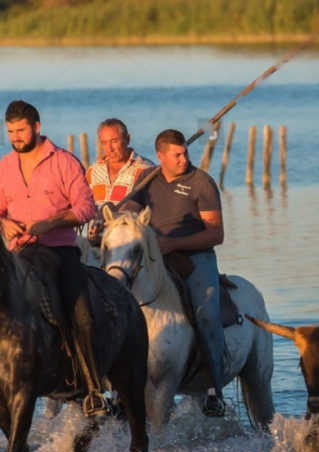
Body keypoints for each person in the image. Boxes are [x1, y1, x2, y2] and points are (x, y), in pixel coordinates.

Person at [0, 100, 107, 416]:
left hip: (59, 252)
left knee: (83, 316)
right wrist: (3, 221)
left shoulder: (64, 162)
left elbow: (87, 208)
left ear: (36, 127)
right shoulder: (5, 166)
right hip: (18, 254)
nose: (16, 137)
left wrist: (52, 222)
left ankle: (94, 390)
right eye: (10, 132)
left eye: (21, 130)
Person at [126, 129, 227, 417]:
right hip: (155, 258)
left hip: (195, 258)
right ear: (160, 156)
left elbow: (216, 234)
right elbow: (129, 216)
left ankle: (214, 391)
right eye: (177, 155)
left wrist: (174, 244)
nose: (184, 159)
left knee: (206, 313)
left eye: (185, 153)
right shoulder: (145, 180)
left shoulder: (202, 182)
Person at [85, 118, 153, 244]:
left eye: (114, 141)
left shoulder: (146, 170)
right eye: (104, 143)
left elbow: (153, 212)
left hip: (129, 244)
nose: (109, 148)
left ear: (127, 139)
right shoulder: (93, 171)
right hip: (94, 243)